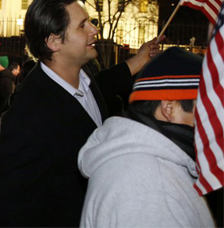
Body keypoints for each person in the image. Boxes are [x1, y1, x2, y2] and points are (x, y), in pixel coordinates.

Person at [0, 0, 161, 227]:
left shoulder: (86, 80)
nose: (94, 30)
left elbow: (104, 84)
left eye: (89, 21)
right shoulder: (27, 116)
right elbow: (11, 210)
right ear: (53, 41)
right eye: (83, 26)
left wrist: (141, 58)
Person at [78, 47, 216, 227]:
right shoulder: (150, 189)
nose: (212, 120)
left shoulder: (143, 164)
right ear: (169, 108)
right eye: (204, 109)